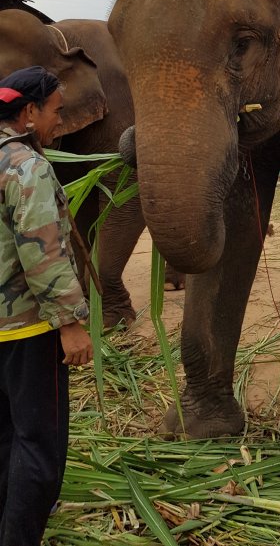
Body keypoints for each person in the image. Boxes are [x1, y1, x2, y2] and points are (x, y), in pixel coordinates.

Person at [0, 66, 93, 546]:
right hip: (28, 331)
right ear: (30, 112)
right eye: (57, 110)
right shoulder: (26, 167)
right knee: (39, 445)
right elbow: (43, 253)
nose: (61, 120)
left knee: (5, 436)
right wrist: (70, 322)